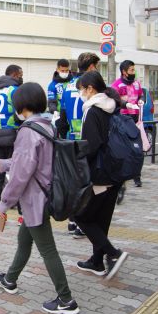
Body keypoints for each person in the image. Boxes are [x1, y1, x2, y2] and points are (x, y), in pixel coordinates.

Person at [0, 82, 80, 314]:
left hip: (34, 200)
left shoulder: (28, 131)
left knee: (47, 249)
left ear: (22, 105)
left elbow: (21, 175)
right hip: (43, 194)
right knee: (24, 241)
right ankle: (9, 280)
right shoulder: (46, 125)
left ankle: (66, 300)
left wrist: (3, 203)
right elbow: (28, 163)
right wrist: (4, 164)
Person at [74, 71, 128, 280]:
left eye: (82, 89)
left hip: (100, 173)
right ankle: (97, 261)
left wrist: (80, 168)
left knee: (81, 215)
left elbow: (92, 145)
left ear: (90, 89)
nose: (81, 93)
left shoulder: (93, 110)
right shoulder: (112, 107)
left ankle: (114, 254)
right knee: (101, 218)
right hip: (116, 171)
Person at [62, 52, 100, 238]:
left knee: (73, 181)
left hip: (70, 140)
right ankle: (81, 224)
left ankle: (71, 220)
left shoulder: (67, 86)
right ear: (92, 67)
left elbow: (61, 118)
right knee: (88, 182)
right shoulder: (92, 87)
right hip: (88, 141)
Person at [0, 64, 24, 225]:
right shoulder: (14, 90)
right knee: (18, 174)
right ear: (15, 75)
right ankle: (23, 214)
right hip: (12, 135)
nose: (21, 78)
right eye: (20, 75)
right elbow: (20, 115)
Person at [111, 60, 145, 186]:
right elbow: (114, 99)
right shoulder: (117, 85)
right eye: (131, 70)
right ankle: (121, 177)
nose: (133, 72)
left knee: (137, 148)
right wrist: (125, 104)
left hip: (135, 118)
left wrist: (141, 100)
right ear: (124, 72)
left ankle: (137, 176)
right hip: (122, 120)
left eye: (133, 70)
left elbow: (141, 95)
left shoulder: (136, 83)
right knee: (123, 149)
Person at [47, 59, 74, 139]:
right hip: (60, 116)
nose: (65, 73)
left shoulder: (73, 82)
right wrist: (54, 111)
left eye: (67, 70)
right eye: (62, 70)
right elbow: (51, 101)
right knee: (62, 139)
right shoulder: (53, 85)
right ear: (57, 69)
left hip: (73, 115)